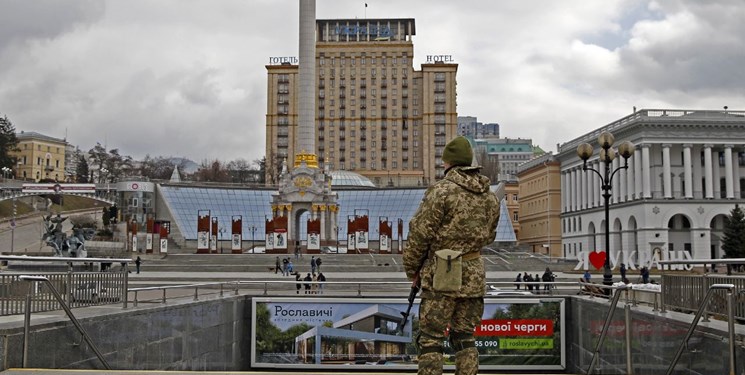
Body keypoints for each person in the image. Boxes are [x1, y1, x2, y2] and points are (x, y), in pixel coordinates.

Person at [402, 136, 499, 375]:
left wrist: (412, 269)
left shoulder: (441, 191)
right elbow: (489, 236)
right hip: (474, 273)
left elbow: (420, 233)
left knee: (431, 338)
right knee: (466, 337)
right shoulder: (489, 196)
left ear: (448, 163)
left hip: (442, 273)